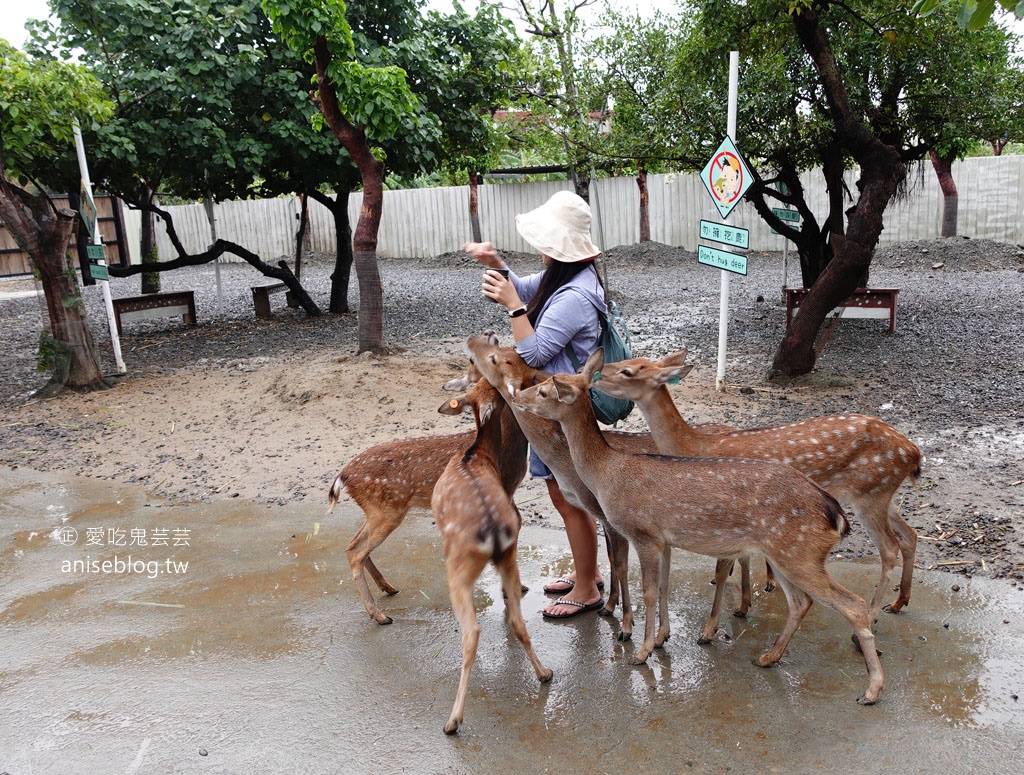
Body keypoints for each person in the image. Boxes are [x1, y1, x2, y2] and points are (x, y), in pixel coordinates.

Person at [464, 190, 607, 619]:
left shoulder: (575, 297)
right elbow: (523, 289)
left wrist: (512, 307)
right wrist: (496, 265)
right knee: (566, 494)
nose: (539, 250)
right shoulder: (563, 278)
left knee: (568, 497)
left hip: (559, 413)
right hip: (550, 409)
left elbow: (539, 352)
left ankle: (586, 588)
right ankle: (590, 572)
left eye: (545, 242)